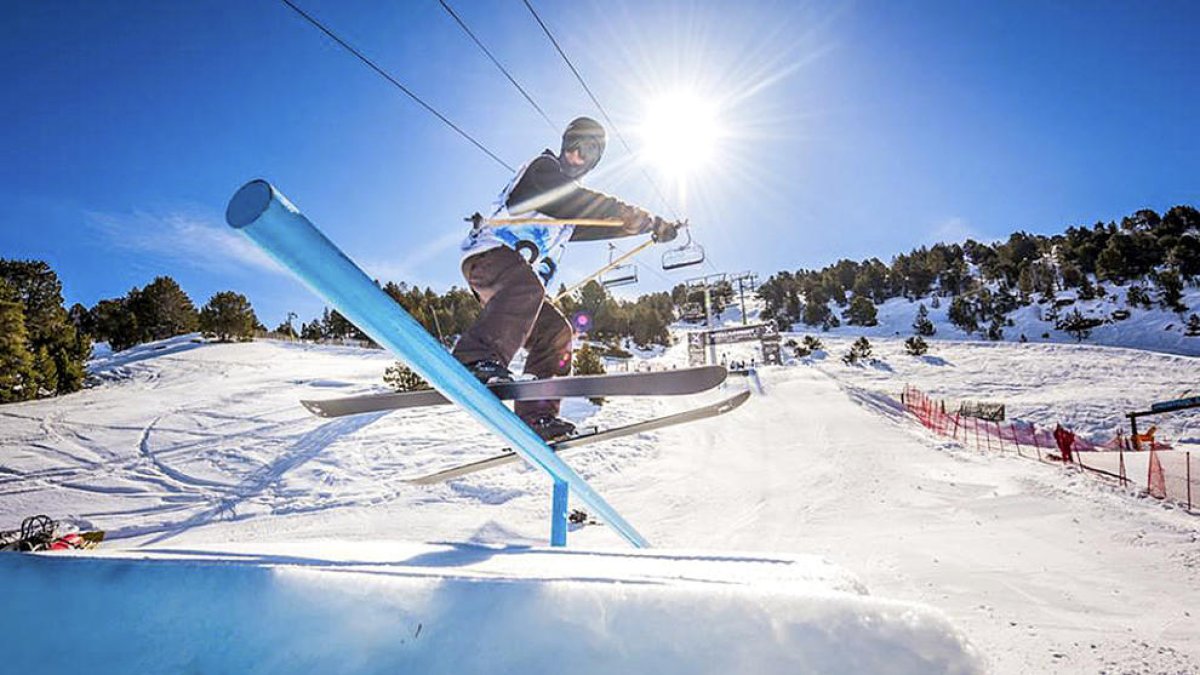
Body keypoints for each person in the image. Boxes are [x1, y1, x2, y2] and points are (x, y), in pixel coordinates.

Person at [453, 116, 682, 440]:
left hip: (514, 286)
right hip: (489, 257)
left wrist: (649, 227)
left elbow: (604, 222)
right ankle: (474, 357)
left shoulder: (567, 216)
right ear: (563, 145)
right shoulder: (542, 172)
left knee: (556, 332)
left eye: (587, 153)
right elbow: (576, 201)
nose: (577, 156)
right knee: (528, 287)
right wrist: (632, 213)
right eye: (573, 147)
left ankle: (538, 416)